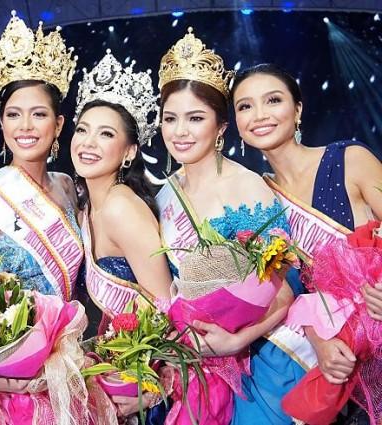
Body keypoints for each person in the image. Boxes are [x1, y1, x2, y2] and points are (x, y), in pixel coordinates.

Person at [155, 28, 309, 424]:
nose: (181, 131)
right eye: (170, 118)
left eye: (195, 118)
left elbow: (286, 284)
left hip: (264, 359)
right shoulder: (163, 196)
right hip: (199, 365)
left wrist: (237, 339)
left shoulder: (247, 186)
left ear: (221, 127)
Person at [232, 63, 382, 424]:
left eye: (273, 100)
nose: (260, 115)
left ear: (297, 110)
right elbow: (293, 293)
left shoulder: (350, 160)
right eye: (245, 106)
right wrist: (319, 340)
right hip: (331, 362)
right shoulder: (258, 199)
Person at [0, 12, 87, 424]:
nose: (25, 126)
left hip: (69, 361)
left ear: (59, 124)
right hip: (14, 377)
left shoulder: (68, 187)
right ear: (1, 123)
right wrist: (12, 366)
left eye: (39, 114)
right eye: (14, 114)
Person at [71, 51, 172, 423]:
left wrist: (153, 384)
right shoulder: (86, 205)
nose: (88, 142)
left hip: (142, 386)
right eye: (83, 129)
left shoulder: (121, 207)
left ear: (129, 151)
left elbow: (167, 306)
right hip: (113, 375)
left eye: (106, 133)